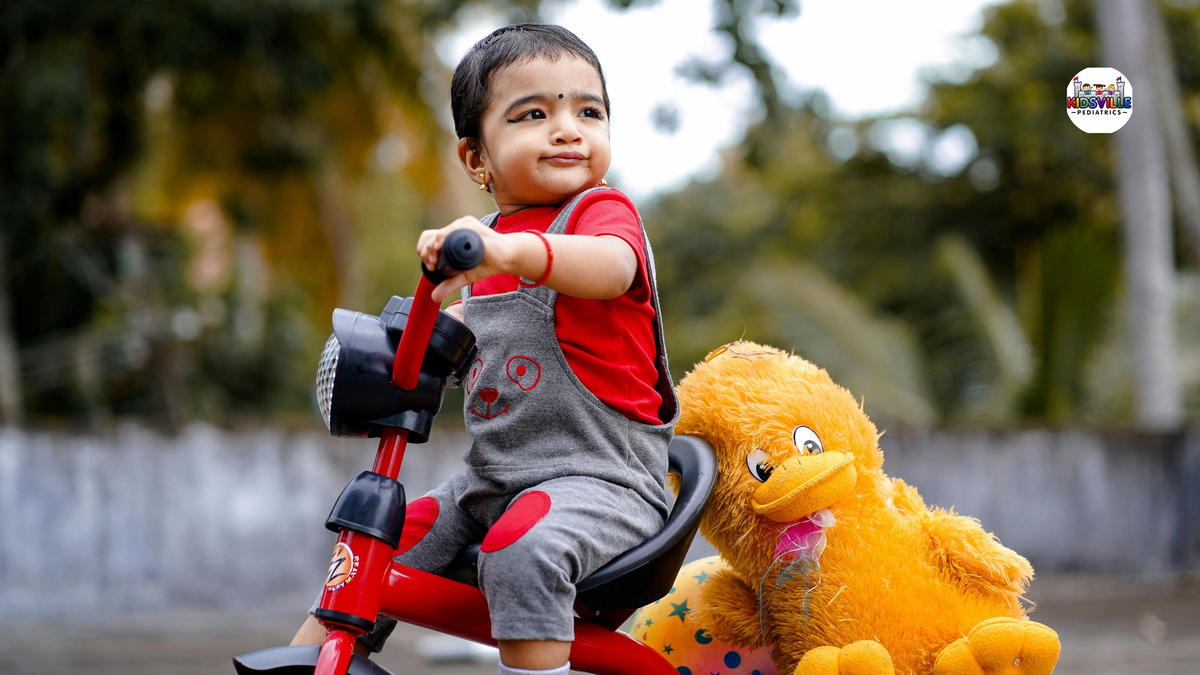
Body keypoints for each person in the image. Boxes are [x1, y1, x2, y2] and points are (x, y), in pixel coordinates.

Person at [292, 23, 678, 675]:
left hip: (605, 478)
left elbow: (611, 268)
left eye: (589, 110)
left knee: (521, 551)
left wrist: (504, 252)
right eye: (534, 113)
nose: (567, 128)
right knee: (375, 543)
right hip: (493, 478)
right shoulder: (487, 247)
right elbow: (469, 331)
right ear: (476, 159)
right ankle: (305, 661)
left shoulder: (600, 215)